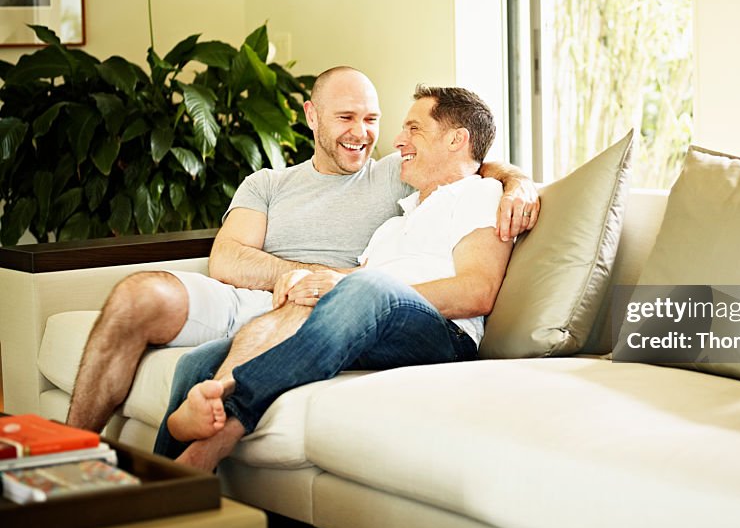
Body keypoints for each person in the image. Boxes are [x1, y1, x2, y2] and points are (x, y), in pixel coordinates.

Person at [66, 69, 538, 432]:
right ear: (312, 115)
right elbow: (227, 258)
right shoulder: (268, 184)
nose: (363, 133)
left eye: (371, 119)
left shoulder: (398, 172)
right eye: (346, 118)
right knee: (136, 296)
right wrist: (295, 275)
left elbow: (470, 163)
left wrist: (518, 186)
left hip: (333, 305)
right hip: (254, 296)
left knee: (213, 359)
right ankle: (70, 454)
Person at [153, 86, 513, 471]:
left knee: (364, 287)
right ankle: (158, 491)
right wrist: (313, 280)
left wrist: (351, 287)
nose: (397, 140)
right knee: (200, 360)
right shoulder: (395, 223)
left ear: (457, 140)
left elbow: (478, 290)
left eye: (414, 129)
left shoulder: (480, 195)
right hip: (374, 320)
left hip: (444, 335)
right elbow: (355, 284)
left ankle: (222, 421)